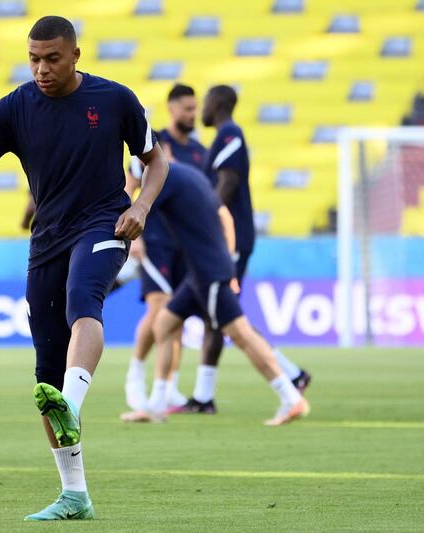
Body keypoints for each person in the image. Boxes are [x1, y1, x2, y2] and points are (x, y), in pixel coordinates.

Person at [0, 15, 168, 521]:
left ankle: (71, 406)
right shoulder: (13, 107)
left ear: (75, 55)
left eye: (52, 58)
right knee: (45, 374)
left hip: (104, 224)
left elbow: (156, 160)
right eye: (33, 58)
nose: (41, 69)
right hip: (47, 239)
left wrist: (139, 206)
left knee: (84, 301)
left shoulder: (115, 100)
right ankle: (74, 493)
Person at [130, 161, 309, 425]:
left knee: (242, 335)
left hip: (207, 273)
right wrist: (228, 261)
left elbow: (136, 213)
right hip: (204, 270)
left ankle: (291, 398)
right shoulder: (192, 175)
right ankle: (156, 405)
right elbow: (226, 217)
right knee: (165, 324)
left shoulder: (163, 178)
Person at [181, 85, 312, 414]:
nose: (202, 111)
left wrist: (206, 219)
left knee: (225, 315)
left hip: (231, 239)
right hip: (226, 238)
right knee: (219, 316)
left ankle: (289, 377)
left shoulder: (229, 134)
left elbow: (228, 183)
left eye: (206, 103)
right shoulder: (223, 136)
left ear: (219, 103)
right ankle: (204, 396)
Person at [124, 83, 206, 414]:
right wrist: (134, 235)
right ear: (172, 108)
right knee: (159, 307)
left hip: (184, 243)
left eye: (194, 108)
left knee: (179, 316)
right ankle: (136, 373)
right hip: (153, 236)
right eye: (187, 108)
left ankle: (169, 385)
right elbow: (130, 185)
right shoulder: (154, 142)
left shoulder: (200, 151)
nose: (192, 114)